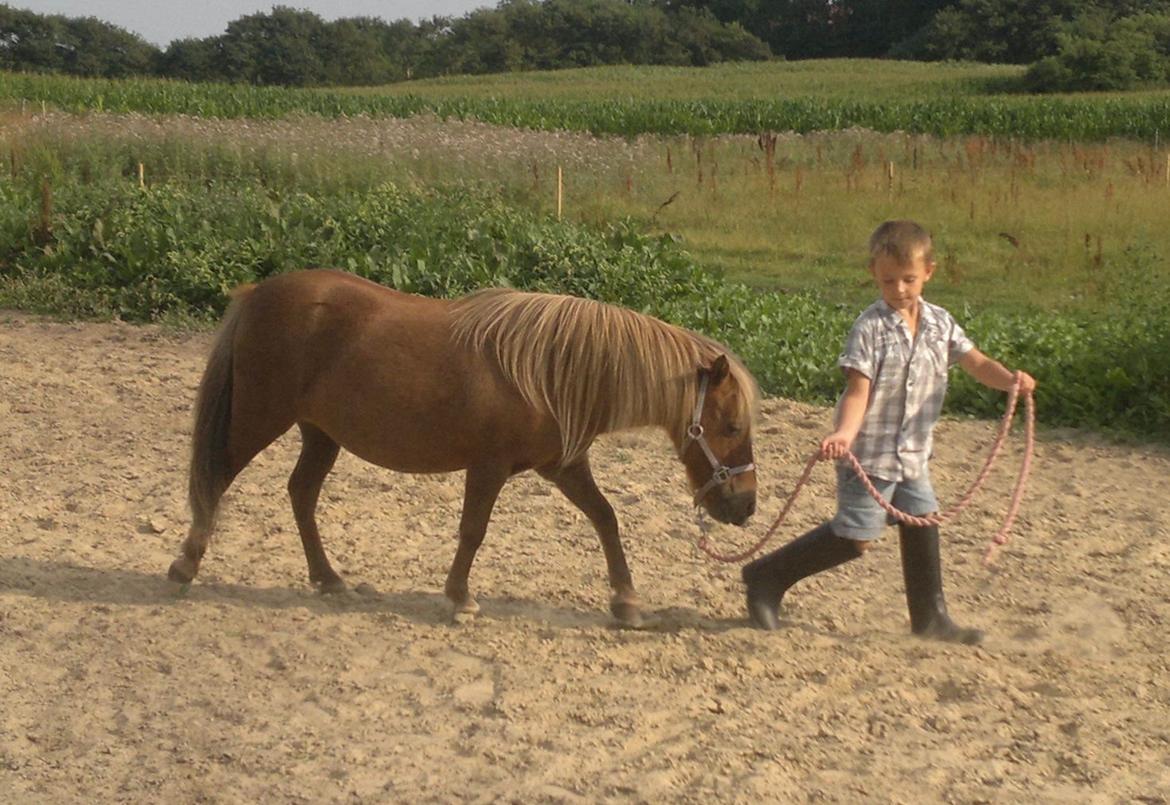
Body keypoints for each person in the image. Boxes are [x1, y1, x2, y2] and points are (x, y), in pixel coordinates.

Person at [742, 220, 1036, 643]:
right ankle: (766, 578)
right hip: (869, 456)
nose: (899, 289)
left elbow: (977, 363)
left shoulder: (941, 324)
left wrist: (1009, 380)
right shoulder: (869, 329)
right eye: (888, 280)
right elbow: (857, 391)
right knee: (855, 538)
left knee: (923, 520)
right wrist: (843, 434)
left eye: (909, 279)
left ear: (929, 272)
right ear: (873, 274)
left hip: (913, 455)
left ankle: (931, 618)